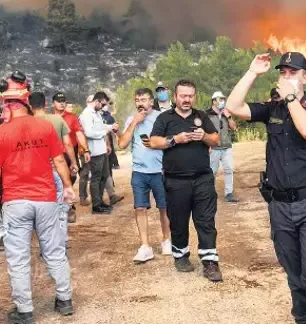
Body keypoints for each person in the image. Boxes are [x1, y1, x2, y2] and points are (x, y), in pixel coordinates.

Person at [227, 51, 306, 324]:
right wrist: (252, 72)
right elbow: (233, 106)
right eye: (283, 72)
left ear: (305, 77)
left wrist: (290, 99)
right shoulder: (272, 110)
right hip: (280, 206)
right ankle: (302, 319)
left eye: (293, 73)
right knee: (295, 275)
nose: (287, 77)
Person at [0, 72, 75, 323]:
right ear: (26, 99)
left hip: (15, 202)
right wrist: (67, 187)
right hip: (45, 199)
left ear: (6, 103)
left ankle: (24, 311)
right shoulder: (45, 126)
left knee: (19, 257)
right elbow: (58, 160)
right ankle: (65, 300)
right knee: (55, 251)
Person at [149, 80, 223, 281]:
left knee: (206, 220)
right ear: (175, 96)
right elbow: (153, 142)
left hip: (202, 178)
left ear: (194, 96)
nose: (187, 99)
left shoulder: (202, 116)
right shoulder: (165, 118)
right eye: (183, 95)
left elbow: (216, 140)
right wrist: (175, 140)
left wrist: (204, 136)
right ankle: (181, 256)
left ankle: (210, 262)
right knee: (179, 221)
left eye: (190, 96)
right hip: (176, 180)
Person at [117, 88, 171, 263]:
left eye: (144, 99)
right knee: (140, 208)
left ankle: (167, 240)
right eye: (138, 99)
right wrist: (134, 123)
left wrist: (157, 145)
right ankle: (145, 246)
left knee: (164, 207)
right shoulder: (131, 120)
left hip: (160, 171)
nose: (140, 103)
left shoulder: (162, 117)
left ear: (151, 101)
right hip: (139, 172)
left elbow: (171, 143)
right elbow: (122, 144)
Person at [29, 92, 79, 245]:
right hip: (56, 169)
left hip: (36, 174)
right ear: (45, 104)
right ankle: (62, 241)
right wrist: (73, 163)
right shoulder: (57, 120)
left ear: (30, 107)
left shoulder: (27, 123)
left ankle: (46, 245)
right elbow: (68, 144)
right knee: (61, 209)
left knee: (41, 211)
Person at [52, 92, 91, 223]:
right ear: (53, 104)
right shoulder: (50, 119)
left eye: (63, 101)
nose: (61, 103)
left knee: (71, 177)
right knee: (59, 180)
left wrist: (85, 149)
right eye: (59, 101)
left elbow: (79, 134)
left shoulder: (72, 118)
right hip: (55, 154)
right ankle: (67, 208)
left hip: (70, 153)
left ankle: (65, 205)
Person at [79, 91, 121, 214]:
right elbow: (89, 133)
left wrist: (111, 127)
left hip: (101, 150)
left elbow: (101, 126)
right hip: (94, 152)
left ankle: (100, 201)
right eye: (102, 105)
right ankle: (96, 206)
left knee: (104, 176)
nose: (103, 107)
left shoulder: (96, 113)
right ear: (96, 101)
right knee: (96, 179)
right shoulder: (87, 114)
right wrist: (105, 132)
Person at [207, 91, 239, 203]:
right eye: (220, 99)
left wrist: (229, 116)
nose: (222, 101)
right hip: (213, 147)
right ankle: (210, 193)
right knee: (212, 171)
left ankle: (229, 193)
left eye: (222, 99)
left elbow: (234, 127)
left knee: (229, 169)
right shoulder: (207, 114)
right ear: (214, 101)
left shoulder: (227, 114)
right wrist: (207, 145)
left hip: (226, 146)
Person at [101, 101, 120, 170]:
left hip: (108, 134)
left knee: (111, 149)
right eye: (104, 106)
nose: (106, 107)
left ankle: (115, 164)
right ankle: (109, 164)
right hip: (102, 134)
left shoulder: (108, 114)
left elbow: (114, 111)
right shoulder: (100, 115)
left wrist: (114, 104)